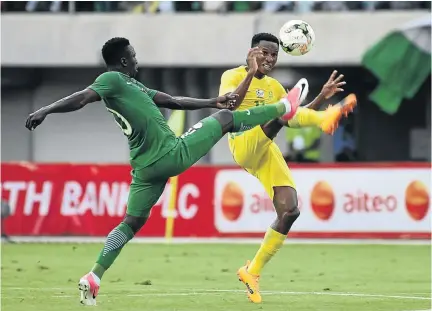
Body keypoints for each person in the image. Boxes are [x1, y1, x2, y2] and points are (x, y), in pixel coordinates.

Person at [25, 37, 307, 306]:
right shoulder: (111, 80)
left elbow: (173, 100)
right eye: (133, 57)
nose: (137, 61)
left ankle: (94, 276)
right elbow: (83, 97)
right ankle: (283, 107)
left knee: (131, 223)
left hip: (144, 168)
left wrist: (211, 102)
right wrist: (46, 110)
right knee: (225, 120)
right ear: (123, 61)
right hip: (170, 154)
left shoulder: (131, 86)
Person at [218, 32, 357, 303]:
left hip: (266, 147)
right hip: (242, 141)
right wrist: (251, 72)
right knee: (281, 112)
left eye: (274, 55)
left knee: (290, 210)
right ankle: (326, 118)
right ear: (251, 52)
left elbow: (292, 115)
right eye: (264, 53)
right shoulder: (232, 76)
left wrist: (319, 98)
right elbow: (229, 105)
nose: (269, 59)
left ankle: (251, 271)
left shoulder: (275, 87)